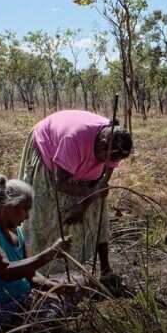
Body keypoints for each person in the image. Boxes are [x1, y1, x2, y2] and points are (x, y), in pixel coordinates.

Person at [18, 109, 132, 293]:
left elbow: (103, 181)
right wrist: (88, 195)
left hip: (77, 164)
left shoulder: (114, 146)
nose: (110, 162)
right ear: (102, 145)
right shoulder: (73, 139)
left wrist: (86, 201)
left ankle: (105, 270)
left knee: (99, 207)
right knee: (49, 213)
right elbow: (59, 183)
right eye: (108, 158)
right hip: (49, 156)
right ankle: (38, 275)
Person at [0, 176, 78, 333]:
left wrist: (55, 287)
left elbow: (31, 276)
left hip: (19, 300)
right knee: (56, 312)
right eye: (25, 209)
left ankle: (45, 321)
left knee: (77, 283)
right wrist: (50, 254)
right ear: (8, 205)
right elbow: (5, 271)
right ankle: (43, 326)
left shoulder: (17, 232)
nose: (27, 216)